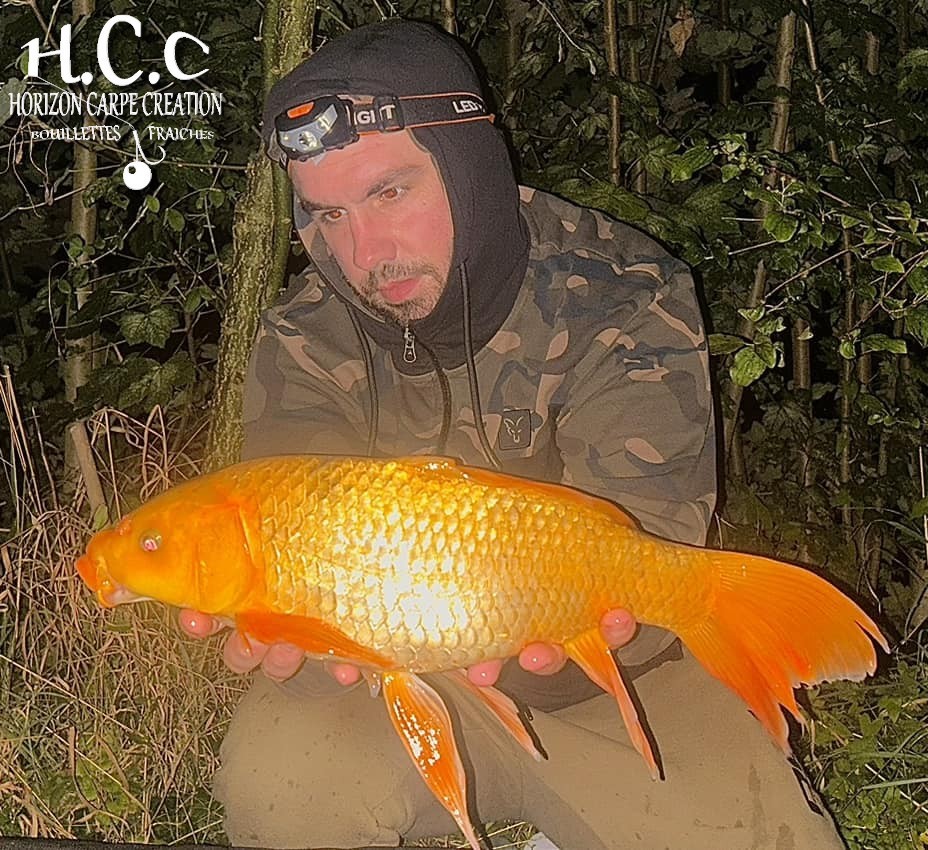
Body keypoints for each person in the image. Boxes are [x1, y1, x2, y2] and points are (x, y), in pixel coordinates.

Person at [181, 19, 848, 850]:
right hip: (400, 686)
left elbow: (646, 561)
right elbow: (306, 589)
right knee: (277, 786)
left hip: (623, 682)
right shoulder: (305, 338)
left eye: (391, 194)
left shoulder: (621, 293)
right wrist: (302, 655)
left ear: (469, 166)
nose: (366, 251)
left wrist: (563, 643)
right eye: (329, 215)